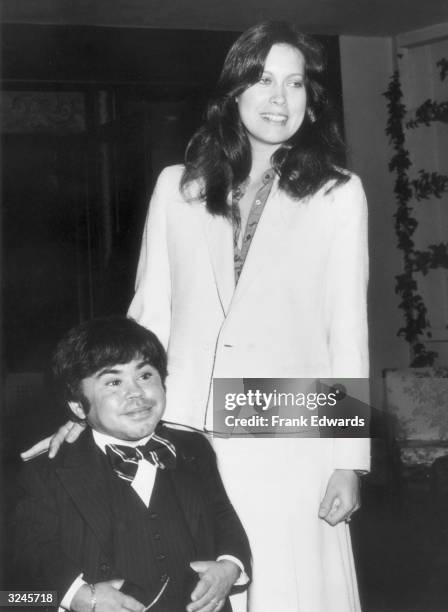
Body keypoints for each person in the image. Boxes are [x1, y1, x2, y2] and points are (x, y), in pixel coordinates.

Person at [22, 21, 369, 612]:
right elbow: (147, 318)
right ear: (231, 94)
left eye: (296, 84)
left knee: (289, 588)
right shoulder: (175, 190)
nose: (280, 99)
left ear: (312, 103)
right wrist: (97, 411)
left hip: (289, 424)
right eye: (261, 81)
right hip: (181, 429)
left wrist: (348, 463)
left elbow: (347, 330)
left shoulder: (338, 193)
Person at [15, 317, 251, 612]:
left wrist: (230, 565)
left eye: (146, 376)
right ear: (77, 405)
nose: (137, 393)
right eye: (114, 382)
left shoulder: (195, 448)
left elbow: (222, 514)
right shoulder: (47, 470)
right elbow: (30, 555)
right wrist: (75, 595)